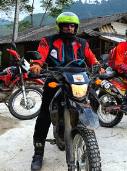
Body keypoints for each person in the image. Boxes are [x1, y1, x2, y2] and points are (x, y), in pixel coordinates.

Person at [28, 12, 103, 170]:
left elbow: (91, 59)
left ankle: (82, 132)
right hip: (55, 79)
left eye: (72, 26)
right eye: (65, 26)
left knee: (94, 101)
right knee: (44, 115)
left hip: (78, 81)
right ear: (59, 26)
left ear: (75, 28)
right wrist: (36, 65)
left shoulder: (82, 43)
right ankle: (38, 152)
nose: (69, 28)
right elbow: (40, 55)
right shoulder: (48, 40)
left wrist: (98, 66)